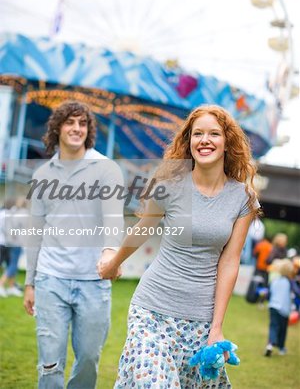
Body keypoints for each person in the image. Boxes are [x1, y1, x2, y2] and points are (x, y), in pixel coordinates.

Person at [99, 105, 260, 388]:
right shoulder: (169, 184)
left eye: (214, 133)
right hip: (152, 311)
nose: (204, 140)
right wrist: (113, 263)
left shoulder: (242, 198)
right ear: (189, 142)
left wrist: (217, 328)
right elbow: (143, 229)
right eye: (197, 134)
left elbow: (229, 261)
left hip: (199, 321)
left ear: (227, 143)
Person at [23, 101, 124, 389]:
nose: (76, 128)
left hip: (93, 281)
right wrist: (30, 282)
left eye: (83, 123)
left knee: (89, 359)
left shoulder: (106, 169)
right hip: (50, 280)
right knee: (50, 363)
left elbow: (113, 218)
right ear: (57, 127)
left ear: (89, 130)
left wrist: (110, 254)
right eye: (70, 122)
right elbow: (35, 232)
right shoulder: (41, 175)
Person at [264, 258, 294, 357]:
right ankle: (281, 348)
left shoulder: (275, 280)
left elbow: (269, 293)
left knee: (273, 326)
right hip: (283, 309)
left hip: (273, 306)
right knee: (282, 329)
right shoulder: (290, 283)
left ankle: (270, 345)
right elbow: (296, 293)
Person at [0, 197, 28, 297]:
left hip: (9, 243)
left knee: (10, 265)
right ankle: (2, 284)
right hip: (12, 243)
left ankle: (11, 287)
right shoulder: (18, 214)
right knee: (12, 265)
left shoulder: (11, 213)